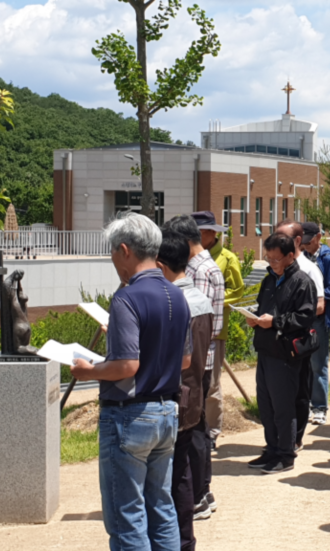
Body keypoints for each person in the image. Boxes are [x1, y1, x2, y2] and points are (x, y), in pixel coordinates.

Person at [70, 213, 189, 551]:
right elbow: (185, 359)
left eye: (112, 252)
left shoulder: (126, 297)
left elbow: (126, 365)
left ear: (124, 250)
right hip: (168, 411)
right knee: (162, 508)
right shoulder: (176, 294)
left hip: (129, 415)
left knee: (127, 517)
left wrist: (89, 370)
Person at [163, 214, 225, 519]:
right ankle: (203, 491)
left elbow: (194, 322)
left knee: (193, 431)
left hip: (195, 361)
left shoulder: (197, 271)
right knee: (198, 426)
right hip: (204, 358)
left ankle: (197, 494)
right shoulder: (210, 265)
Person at [157, 230, 213, 551]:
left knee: (173, 476)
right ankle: (185, 540)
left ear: (161, 265)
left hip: (175, 396)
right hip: (194, 394)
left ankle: (179, 541)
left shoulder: (174, 303)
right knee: (183, 471)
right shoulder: (199, 298)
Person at [245, 232, 317, 474]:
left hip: (285, 353)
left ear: (289, 256)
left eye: (275, 259)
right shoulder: (269, 280)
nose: (271, 263)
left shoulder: (302, 282)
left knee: (283, 406)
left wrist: (275, 322)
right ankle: (272, 448)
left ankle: (286, 454)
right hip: (265, 350)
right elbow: (262, 306)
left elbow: (305, 317)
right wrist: (254, 317)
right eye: (268, 259)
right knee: (266, 404)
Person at [194, 211, 246, 446]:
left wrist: (212, 298)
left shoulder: (227, 258)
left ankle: (213, 430)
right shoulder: (190, 256)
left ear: (211, 234)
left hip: (215, 328)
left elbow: (238, 290)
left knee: (212, 382)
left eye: (198, 233)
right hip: (191, 328)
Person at [275, 220, 325, 449]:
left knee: (299, 391)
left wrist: (286, 318)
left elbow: (320, 306)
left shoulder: (310, 270)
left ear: (297, 241)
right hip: (275, 344)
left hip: (298, 342)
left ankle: (295, 438)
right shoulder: (275, 269)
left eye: (282, 238)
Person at [302, 222, 330, 426]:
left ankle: (320, 407)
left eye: (309, 241)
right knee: (305, 364)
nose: (306, 245)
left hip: (319, 318)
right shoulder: (304, 257)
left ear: (318, 237)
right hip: (304, 318)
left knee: (319, 364)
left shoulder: (327, 258)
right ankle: (307, 403)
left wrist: (314, 297)